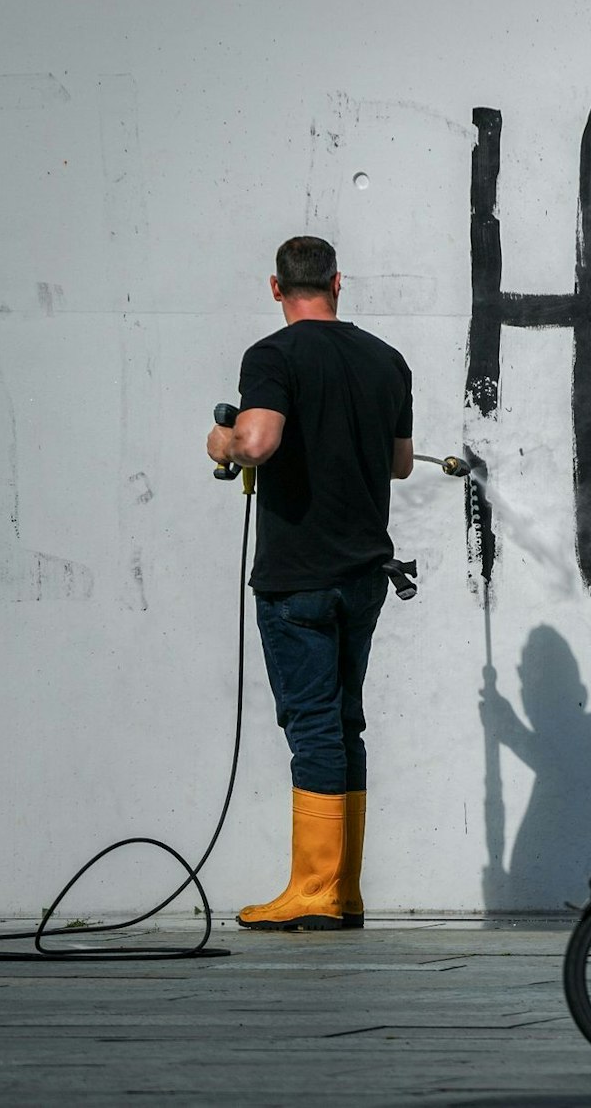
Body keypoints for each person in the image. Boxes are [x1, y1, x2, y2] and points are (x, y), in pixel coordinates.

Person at [206, 236, 413, 931]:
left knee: (313, 723)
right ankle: (342, 889)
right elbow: (401, 463)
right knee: (344, 720)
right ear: (337, 282)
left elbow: (259, 442)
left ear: (276, 288)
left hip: (298, 576)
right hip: (364, 575)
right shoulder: (387, 359)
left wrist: (225, 443)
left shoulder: (273, 355)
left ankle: (315, 891)